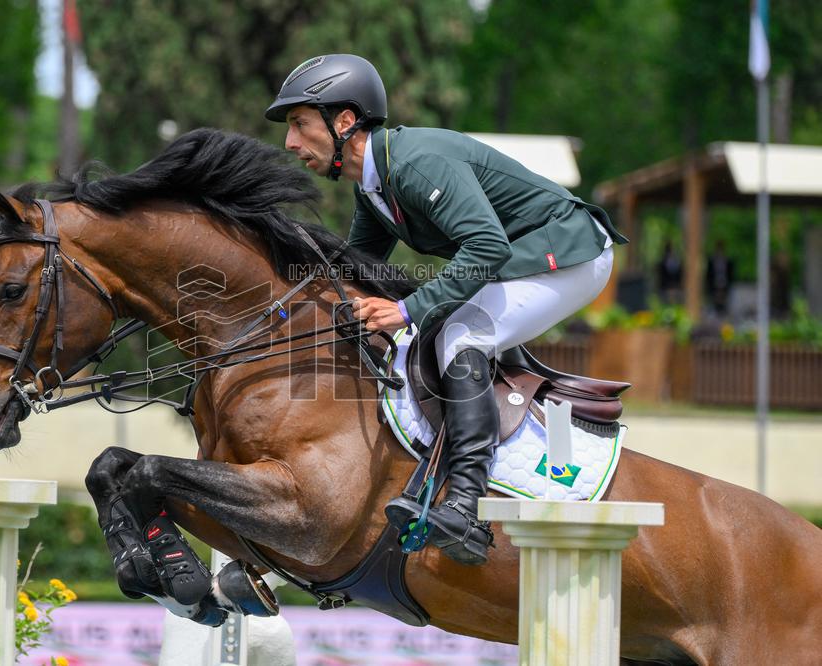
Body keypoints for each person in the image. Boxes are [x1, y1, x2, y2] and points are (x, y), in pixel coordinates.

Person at [265, 54, 626, 565]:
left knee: (460, 335)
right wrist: (288, 308)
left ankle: (465, 505)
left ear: (344, 121)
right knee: (431, 330)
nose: (291, 143)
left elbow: (486, 248)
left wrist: (407, 309)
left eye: (299, 124)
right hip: (520, 257)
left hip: (570, 254)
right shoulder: (375, 185)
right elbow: (354, 270)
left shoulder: (413, 163)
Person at [705, 240, 734, 318]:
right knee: (714, 305)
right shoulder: (711, 261)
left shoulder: (728, 261)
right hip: (714, 287)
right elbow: (708, 276)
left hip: (724, 286)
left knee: (723, 305)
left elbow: (730, 276)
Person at [657, 241, 683, 305]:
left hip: (676, 289)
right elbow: (661, 277)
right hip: (665, 290)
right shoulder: (662, 263)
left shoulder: (677, 262)